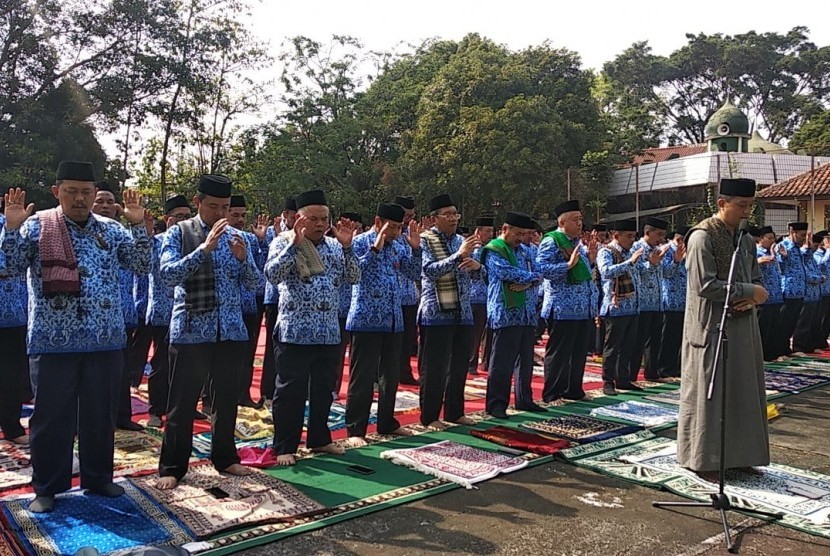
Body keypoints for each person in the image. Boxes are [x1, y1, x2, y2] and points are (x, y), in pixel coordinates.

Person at [1, 161, 151, 512]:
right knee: (52, 417)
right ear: (57, 192)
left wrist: (138, 225)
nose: (80, 199)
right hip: (53, 341)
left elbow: (142, 265)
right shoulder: (36, 227)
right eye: (72, 191)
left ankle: (99, 479)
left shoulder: (113, 231)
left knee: (100, 414)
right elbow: (7, 267)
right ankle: (47, 487)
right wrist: (10, 228)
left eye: (86, 192)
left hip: (106, 339)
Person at [157, 175, 261, 489]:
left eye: (225, 207)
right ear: (198, 202)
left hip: (229, 330)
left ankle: (226, 457)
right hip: (191, 330)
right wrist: (204, 249)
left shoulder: (239, 237)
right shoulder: (179, 232)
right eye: (213, 206)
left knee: (226, 399)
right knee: (182, 402)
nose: (220, 213)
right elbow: (167, 275)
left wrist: (243, 260)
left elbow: (256, 284)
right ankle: (173, 466)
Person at [677, 177, 769, 478]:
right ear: (721, 203)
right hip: (711, 328)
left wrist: (754, 297)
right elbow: (705, 285)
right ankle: (705, 460)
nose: (746, 212)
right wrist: (748, 292)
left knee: (743, 391)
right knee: (710, 396)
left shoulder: (743, 238)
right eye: (741, 205)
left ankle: (741, 455)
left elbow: (756, 279)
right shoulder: (702, 237)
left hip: (743, 328)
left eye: (749, 206)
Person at [265, 189, 360, 465]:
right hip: (295, 331)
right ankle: (284, 445)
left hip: (328, 331)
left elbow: (353, 277)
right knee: (290, 392)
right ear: (299, 218)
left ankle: (319, 439)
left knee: (322, 391)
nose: (320, 224)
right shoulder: (283, 242)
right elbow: (272, 275)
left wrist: (347, 247)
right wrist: (294, 244)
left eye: (324, 218)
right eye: (314, 219)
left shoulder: (334, 246)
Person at [344, 203, 422, 446]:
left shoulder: (399, 245)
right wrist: (375, 249)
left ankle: (387, 422)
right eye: (392, 227)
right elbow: (354, 274)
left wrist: (417, 249)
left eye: (399, 227)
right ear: (378, 222)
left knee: (391, 376)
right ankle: (356, 428)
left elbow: (413, 273)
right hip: (365, 319)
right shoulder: (359, 242)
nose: (396, 232)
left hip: (393, 320)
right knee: (363, 377)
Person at [418, 194, 480, 429]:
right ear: (434, 219)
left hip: (463, 311)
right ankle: (430, 416)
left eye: (456, 214)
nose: (453, 218)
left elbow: (476, 273)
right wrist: (459, 256)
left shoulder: (461, 240)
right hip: (435, 313)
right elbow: (429, 271)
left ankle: (455, 412)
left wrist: (477, 267)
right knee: (435, 367)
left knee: (459, 365)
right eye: (448, 214)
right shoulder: (424, 240)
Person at [91, 182, 145, 432]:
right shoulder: (79, 233)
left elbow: (143, 264)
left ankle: (122, 416)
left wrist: (139, 226)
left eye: (109, 202)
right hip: (89, 319)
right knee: (91, 376)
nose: (104, 206)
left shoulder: (122, 235)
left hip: (122, 315)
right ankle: (91, 420)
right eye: (99, 201)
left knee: (120, 371)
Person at [481, 212, 542, 418]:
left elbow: (541, 271)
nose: (521, 238)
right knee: (501, 363)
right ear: (504, 230)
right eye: (517, 233)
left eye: (525, 233)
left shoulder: (526, 250)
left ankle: (524, 399)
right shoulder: (494, 250)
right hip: (505, 313)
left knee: (525, 361)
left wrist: (530, 280)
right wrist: (531, 279)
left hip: (526, 311)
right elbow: (504, 272)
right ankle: (496, 404)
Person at [538, 200, 597, 402]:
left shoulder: (578, 243)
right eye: (575, 220)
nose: (580, 223)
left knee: (579, 352)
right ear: (562, 223)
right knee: (560, 353)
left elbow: (583, 272)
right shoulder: (552, 241)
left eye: (581, 219)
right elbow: (542, 269)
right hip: (562, 306)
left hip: (582, 307)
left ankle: (574, 390)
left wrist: (590, 259)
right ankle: (552, 392)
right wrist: (567, 265)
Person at [144, 196, 192, 427]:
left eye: (187, 216)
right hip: (164, 311)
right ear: (167, 219)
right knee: (161, 363)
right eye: (178, 217)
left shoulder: (196, 241)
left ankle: (183, 407)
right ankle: (156, 409)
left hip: (189, 313)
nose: (184, 221)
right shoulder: (157, 242)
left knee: (188, 364)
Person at [226, 195, 268, 408]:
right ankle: (210, 398)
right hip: (225, 308)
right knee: (222, 358)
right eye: (235, 215)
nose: (240, 219)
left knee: (246, 354)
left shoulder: (250, 239)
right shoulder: (217, 237)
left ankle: (243, 395)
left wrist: (261, 240)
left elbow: (261, 270)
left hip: (248, 305)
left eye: (243, 215)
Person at [597, 220, 644, 395]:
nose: (632, 240)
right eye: (629, 236)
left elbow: (640, 272)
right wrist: (629, 262)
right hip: (615, 307)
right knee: (612, 347)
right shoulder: (606, 251)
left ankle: (623, 379)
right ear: (616, 236)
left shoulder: (632, 252)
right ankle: (608, 381)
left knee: (628, 346)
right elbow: (606, 272)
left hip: (633, 306)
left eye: (634, 236)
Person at [260, 196, 297, 407]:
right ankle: (268, 391)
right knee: (273, 350)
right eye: (294, 216)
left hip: (295, 303)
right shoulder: (280, 238)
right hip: (275, 299)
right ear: (286, 215)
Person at [0, 207, 29, 445]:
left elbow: (11, 264)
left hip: (10, 313)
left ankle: (11, 425)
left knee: (11, 375)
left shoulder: (10, 224)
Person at [630, 217, 671, 381]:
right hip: (641, 302)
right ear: (648, 232)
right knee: (638, 341)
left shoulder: (659, 249)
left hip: (657, 302)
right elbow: (634, 271)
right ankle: (630, 375)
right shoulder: (636, 248)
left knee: (655, 340)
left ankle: (652, 373)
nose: (661, 239)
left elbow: (666, 274)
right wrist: (651, 264)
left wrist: (675, 261)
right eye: (658, 234)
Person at [394, 196, 420, 386]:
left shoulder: (413, 234)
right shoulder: (390, 236)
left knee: (407, 340)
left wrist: (416, 247)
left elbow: (417, 271)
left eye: (412, 215)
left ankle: (404, 372)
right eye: (406, 215)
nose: (408, 219)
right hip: (392, 297)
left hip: (410, 296)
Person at [656, 227, 688, 378]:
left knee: (679, 337)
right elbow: (665, 273)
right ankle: (664, 367)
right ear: (680, 240)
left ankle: (676, 366)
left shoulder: (689, 252)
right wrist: (676, 260)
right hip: (669, 300)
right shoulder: (665, 250)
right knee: (667, 337)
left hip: (684, 301)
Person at [775, 222, 809, 359]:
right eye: (802, 235)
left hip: (800, 290)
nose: (803, 238)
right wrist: (783, 257)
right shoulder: (783, 246)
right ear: (792, 232)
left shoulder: (797, 248)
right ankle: (779, 350)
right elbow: (780, 268)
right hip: (788, 290)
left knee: (792, 322)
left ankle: (787, 349)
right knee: (783, 322)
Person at [468, 216, 495, 374]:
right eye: (487, 231)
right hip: (475, 296)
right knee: (475, 333)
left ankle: (486, 362)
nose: (490, 234)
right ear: (478, 232)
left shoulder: (492, 250)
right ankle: (471, 363)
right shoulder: (474, 250)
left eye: (492, 231)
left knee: (489, 332)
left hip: (489, 296)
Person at [755, 226, 784, 361]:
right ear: (761, 239)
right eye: (769, 238)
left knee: (774, 327)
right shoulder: (757, 252)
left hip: (776, 295)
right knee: (763, 327)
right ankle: (762, 355)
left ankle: (773, 353)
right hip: (764, 297)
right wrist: (760, 261)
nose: (773, 241)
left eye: (774, 238)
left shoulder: (772, 252)